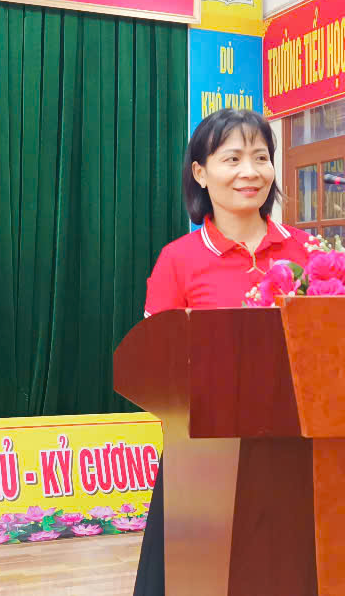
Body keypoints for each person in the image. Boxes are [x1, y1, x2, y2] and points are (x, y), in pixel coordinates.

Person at [132, 107, 313, 595]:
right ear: (200, 172)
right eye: (232, 158)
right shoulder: (179, 260)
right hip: (206, 458)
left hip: (296, 453)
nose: (250, 172)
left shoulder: (306, 253)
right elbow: (156, 367)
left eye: (261, 157)